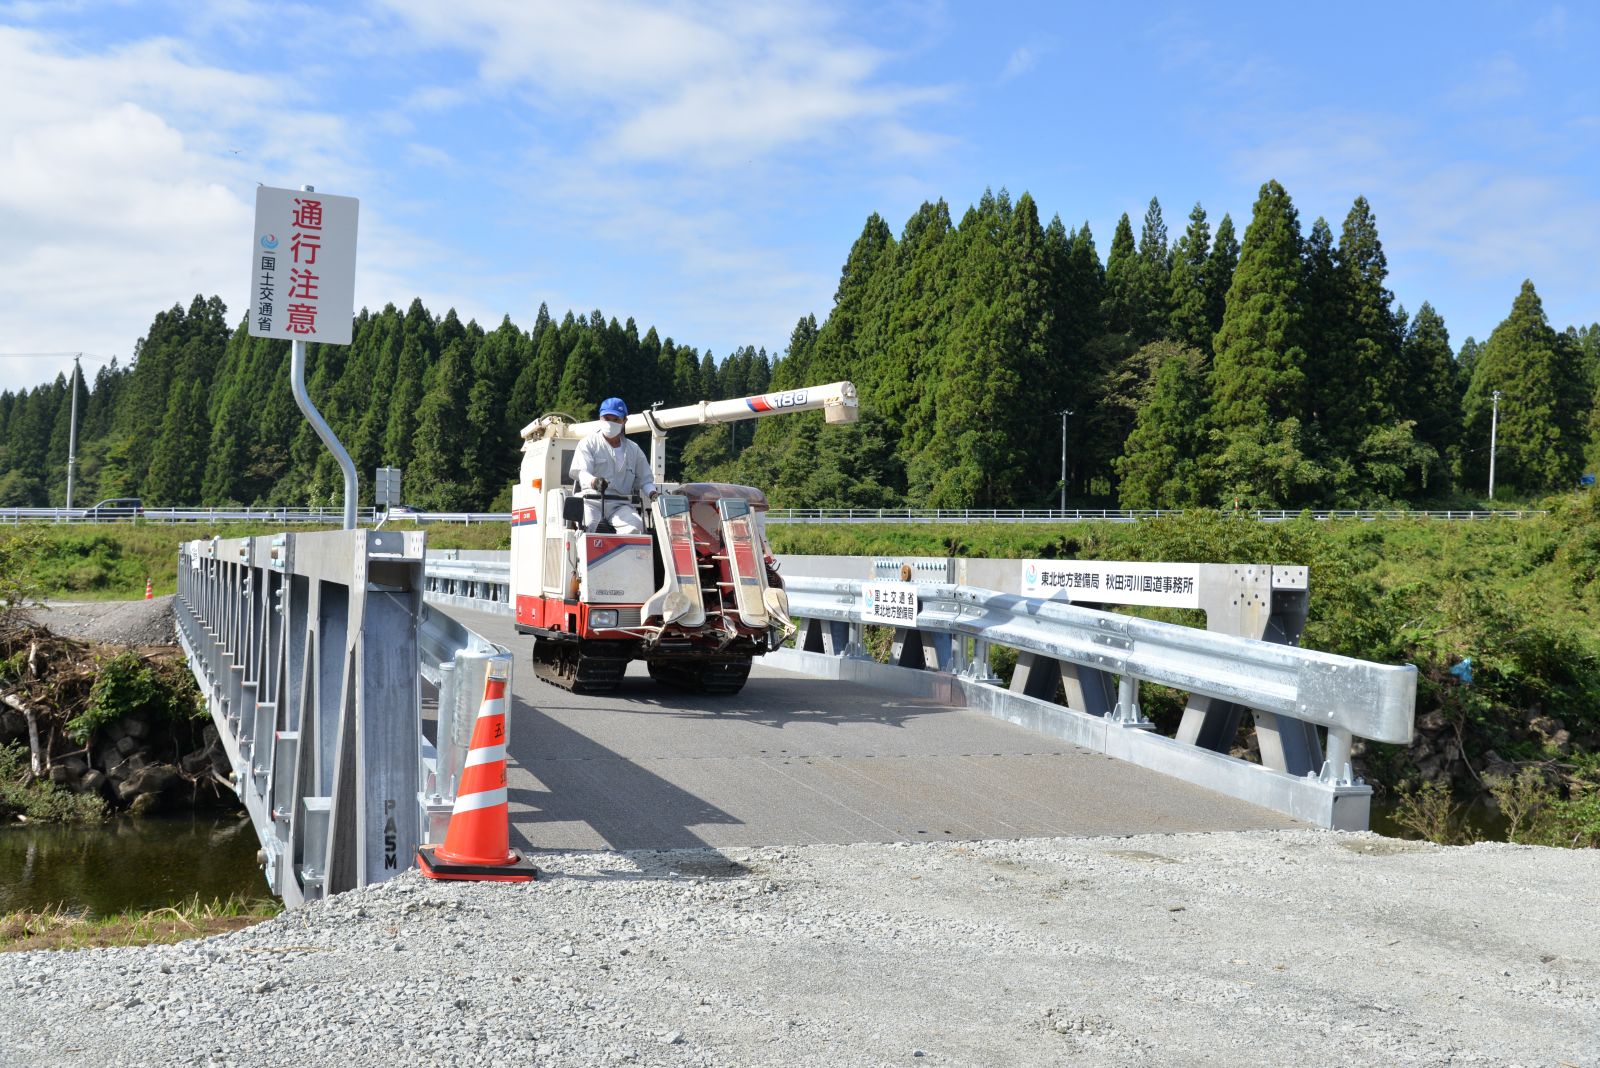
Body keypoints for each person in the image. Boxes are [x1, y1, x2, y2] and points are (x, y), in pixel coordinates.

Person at [569, 397, 658, 533]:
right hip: (591, 501)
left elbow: (645, 480)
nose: (611, 423)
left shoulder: (634, 449)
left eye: (615, 419)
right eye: (607, 418)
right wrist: (595, 482)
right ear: (600, 418)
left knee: (636, 528)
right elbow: (582, 473)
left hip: (620, 505)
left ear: (624, 421)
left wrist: (653, 494)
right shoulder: (588, 443)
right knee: (587, 527)